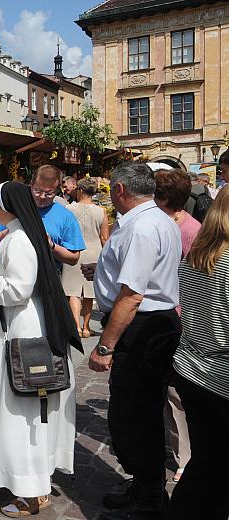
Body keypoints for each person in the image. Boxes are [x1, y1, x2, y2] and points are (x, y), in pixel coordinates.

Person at [0, 181, 82, 518]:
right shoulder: (22, 234)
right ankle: (21, 478)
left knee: (22, 412)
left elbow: (17, 290)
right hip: (17, 326)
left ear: (7, 207)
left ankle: (31, 489)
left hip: (20, 330)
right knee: (19, 410)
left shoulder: (20, 240)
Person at [86, 162, 181, 520]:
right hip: (153, 320)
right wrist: (104, 273)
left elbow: (133, 296)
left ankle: (150, 496)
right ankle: (144, 484)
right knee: (140, 411)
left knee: (135, 414)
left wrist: (105, 346)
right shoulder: (158, 220)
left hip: (142, 326)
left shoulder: (141, 227)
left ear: (121, 190)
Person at [167, 188, 229, 520]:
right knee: (215, 468)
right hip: (221, 378)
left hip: (192, 370)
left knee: (207, 461)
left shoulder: (196, 257)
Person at [153, 167, 200, 485]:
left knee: (175, 393)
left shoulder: (190, 230)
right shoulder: (163, 223)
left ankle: (185, 456)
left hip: (179, 319)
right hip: (161, 316)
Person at [0, 165, 85, 266]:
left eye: (49, 193)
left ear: (57, 191)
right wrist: (12, 230)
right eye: (37, 191)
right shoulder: (13, 208)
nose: (42, 197)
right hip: (10, 274)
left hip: (46, 278)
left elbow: (74, 258)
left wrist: (51, 246)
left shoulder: (66, 217)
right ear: (31, 185)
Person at [61, 177, 109, 337]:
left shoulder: (68, 209)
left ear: (80, 191)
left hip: (74, 251)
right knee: (89, 292)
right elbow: (104, 238)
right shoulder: (101, 211)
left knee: (73, 290)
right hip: (94, 252)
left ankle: (76, 326)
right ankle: (87, 327)